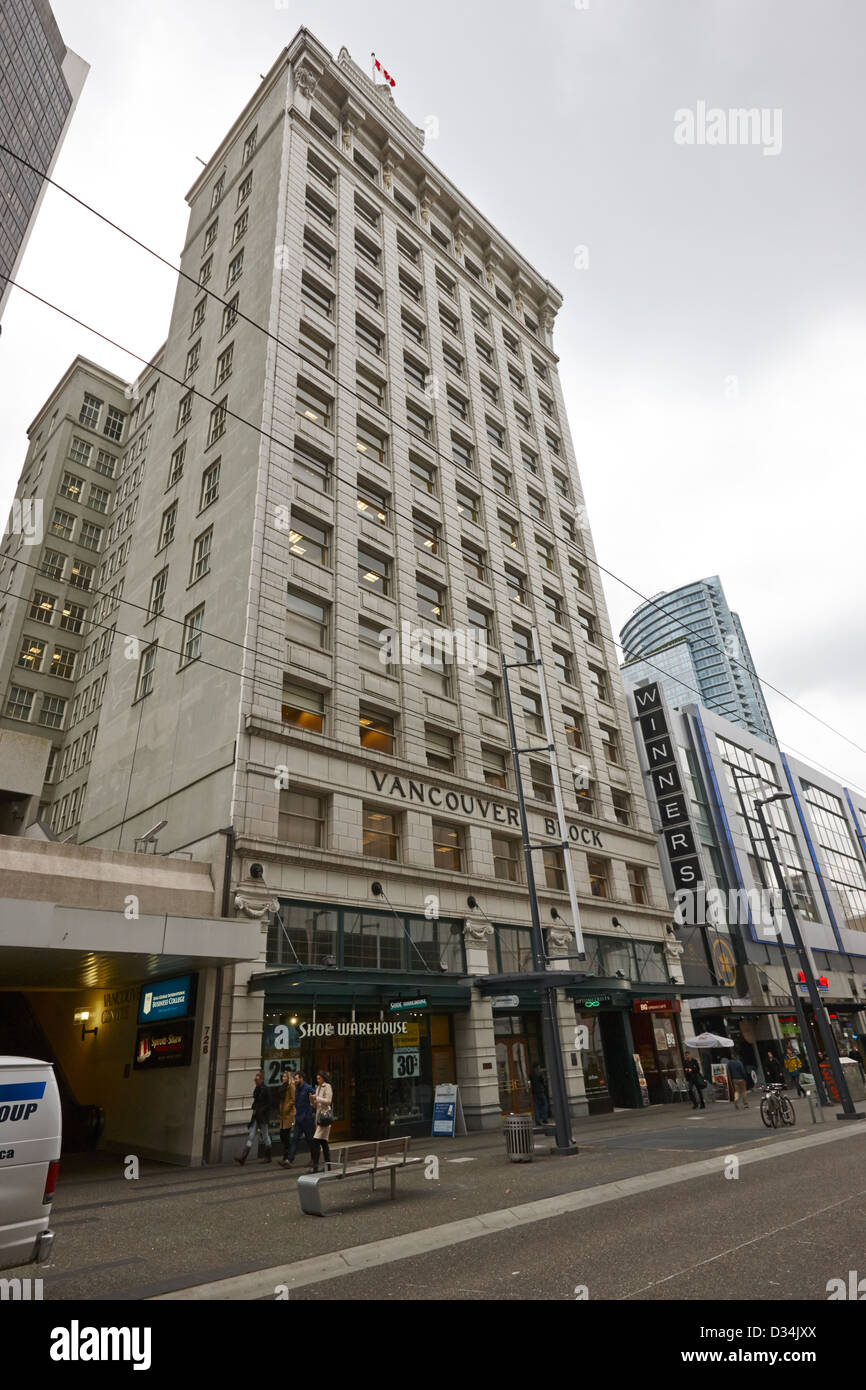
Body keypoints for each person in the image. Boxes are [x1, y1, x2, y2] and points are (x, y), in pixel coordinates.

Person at [235, 1069, 273, 1165]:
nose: (255, 1082)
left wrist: (262, 1111)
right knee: (251, 1135)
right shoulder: (258, 1089)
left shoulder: (266, 1089)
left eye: (257, 1080)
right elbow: (256, 1100)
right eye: (255, 1080)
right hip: (256, 1116)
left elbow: (269, 1103)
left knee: (265, 1136)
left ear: (261, 1080)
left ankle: (268, 1156)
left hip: (262, 1117)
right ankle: (243, 1158)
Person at [285, 1071, 315, 1167]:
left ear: (301, 1078)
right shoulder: (297, 1089)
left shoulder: (308, 1088)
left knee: (310, 1140)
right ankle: (289, 1160)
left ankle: (314, 1159)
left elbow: (315, 1100)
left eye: (296, 1079)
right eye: (295, 1079)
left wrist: (312, 1112)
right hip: (299, 1118)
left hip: (307, 1119)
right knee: (294, 1139)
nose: (295, 1080)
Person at [309, 1070, 333, 1174]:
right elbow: (315, 1104)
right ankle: (328, 1165)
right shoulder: (318, 1087)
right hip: (319, 1118)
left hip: (324, 1118)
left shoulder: (327, 1086)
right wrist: (312, 1100)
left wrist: (317, 1098)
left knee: (316, 1141)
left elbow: (328, 1100)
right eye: (317, 1078)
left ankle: (315, 1166)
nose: (317, 1080)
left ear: (323, 1078)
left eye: (319, 1078)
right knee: (323, 1143)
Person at [277, 1070, 295, 1168]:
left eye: (285, 1077)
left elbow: (293, 1099)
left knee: (286, 1135)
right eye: (282, 1076)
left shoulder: (290, 1086)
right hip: (283, 1115)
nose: (283, 1078)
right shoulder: (284, 1086)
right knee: (283, 1135)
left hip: (289, 1115)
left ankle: (286, 1158)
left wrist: (287, 1108)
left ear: (288, 1078)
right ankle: (286, 1157)